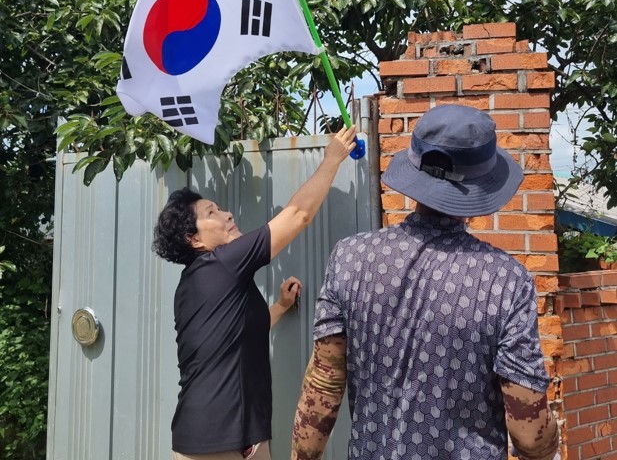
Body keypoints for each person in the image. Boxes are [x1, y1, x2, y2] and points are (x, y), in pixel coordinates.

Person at [291, 105, 560, 460]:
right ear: (481, 183)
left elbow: (322, 390)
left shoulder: (350, 258)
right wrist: (550, 441)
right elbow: (529, 433)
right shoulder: (506, 281)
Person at [152, 125, 357, 460]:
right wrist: (332, 159)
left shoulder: (197, 282)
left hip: (246, 433)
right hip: (212, 439)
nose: (227, 214)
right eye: (212, 213)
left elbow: (233, 334)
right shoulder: (221, 263)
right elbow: (298, 215)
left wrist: (280, 306)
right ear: (195, 239)